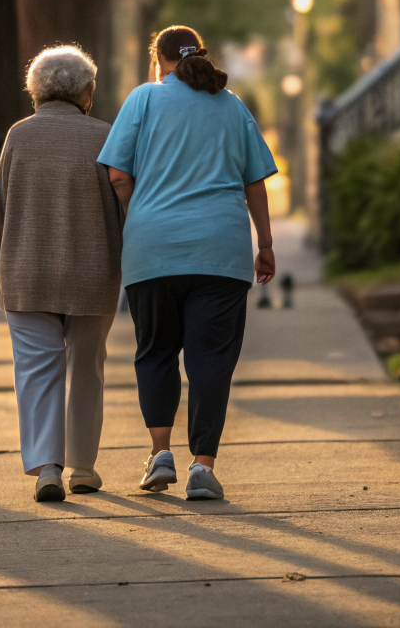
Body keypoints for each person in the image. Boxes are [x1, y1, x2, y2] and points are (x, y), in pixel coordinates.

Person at [98, 25, 277, 501]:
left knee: (155, 352)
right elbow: (255, 181)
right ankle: (203, 466)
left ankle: (160, 454)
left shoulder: (143, 100)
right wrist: (266, 243)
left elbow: (117, 174)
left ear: (158, 62)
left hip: (153, 248)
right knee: (211, 360)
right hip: (221, 251)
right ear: (199, 55)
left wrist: (141, 216)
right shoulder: (232, 105)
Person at [0, 45, 122, 502]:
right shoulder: (105, 136)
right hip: (92, 272)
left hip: (26, 273)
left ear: (36, 91)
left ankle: (48, 466)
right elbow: (121, 208)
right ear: (86, 92)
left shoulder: (19, 137)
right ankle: (83, 466)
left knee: (36, 370)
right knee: (88, 367)